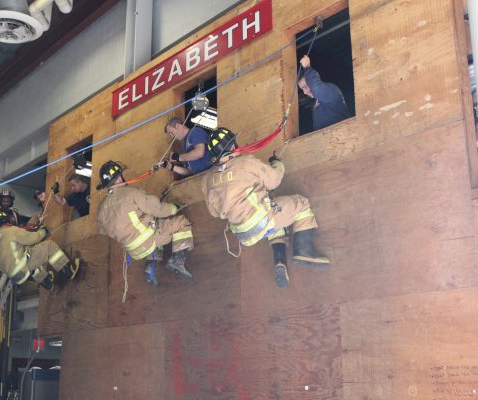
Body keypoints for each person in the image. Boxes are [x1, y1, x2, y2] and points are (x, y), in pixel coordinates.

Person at [201, 128, 330, 288]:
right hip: (261, 220)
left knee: (276, 221)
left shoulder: (208, 180)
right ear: (233, 145)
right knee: (301, 204)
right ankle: (304, 250)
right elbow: (274, 180)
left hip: (243, 235)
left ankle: (280, 261)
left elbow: (214, 212)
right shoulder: (244, 163)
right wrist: (278, 164)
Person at [96, 160, 194, 285]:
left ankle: (149, 268)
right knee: (181, 222)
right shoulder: (131, 192)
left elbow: (103, 230)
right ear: (119, 177)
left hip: (133, 250)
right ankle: (177, 261)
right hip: (148, 239)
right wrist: (174, 207)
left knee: (153, 227)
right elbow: (158, 209)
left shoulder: (101, 208)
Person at [0, 211, 79, 290]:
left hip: (14, 276)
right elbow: (32, 238)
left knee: (29, 255)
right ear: (5, 221)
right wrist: (44, 231)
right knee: (49, 246)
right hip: (22, 267)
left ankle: (47, 282)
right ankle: (69, 271)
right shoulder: (11, 231)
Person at [297, 55, 349, 131]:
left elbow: (316, 88)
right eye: (302, 89)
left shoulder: (331, 91)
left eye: (305, 86)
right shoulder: (316, 102)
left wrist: (307, 67)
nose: (304, 92)